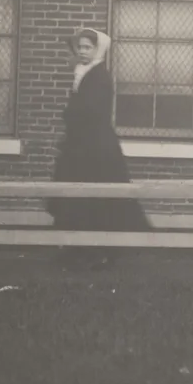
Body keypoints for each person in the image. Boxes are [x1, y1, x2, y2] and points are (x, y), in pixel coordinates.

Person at [45, 28, 151, 269]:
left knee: (98, 197)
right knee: (74, 196)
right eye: (79, 47)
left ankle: (103, 251)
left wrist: (70, 113)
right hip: (81, 145)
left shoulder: (100, 76)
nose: (82, 51)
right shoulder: (82, 73)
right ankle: (75, 248)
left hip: (96, 148)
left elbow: (89, 111)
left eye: (87, 47)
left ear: (97, 50)